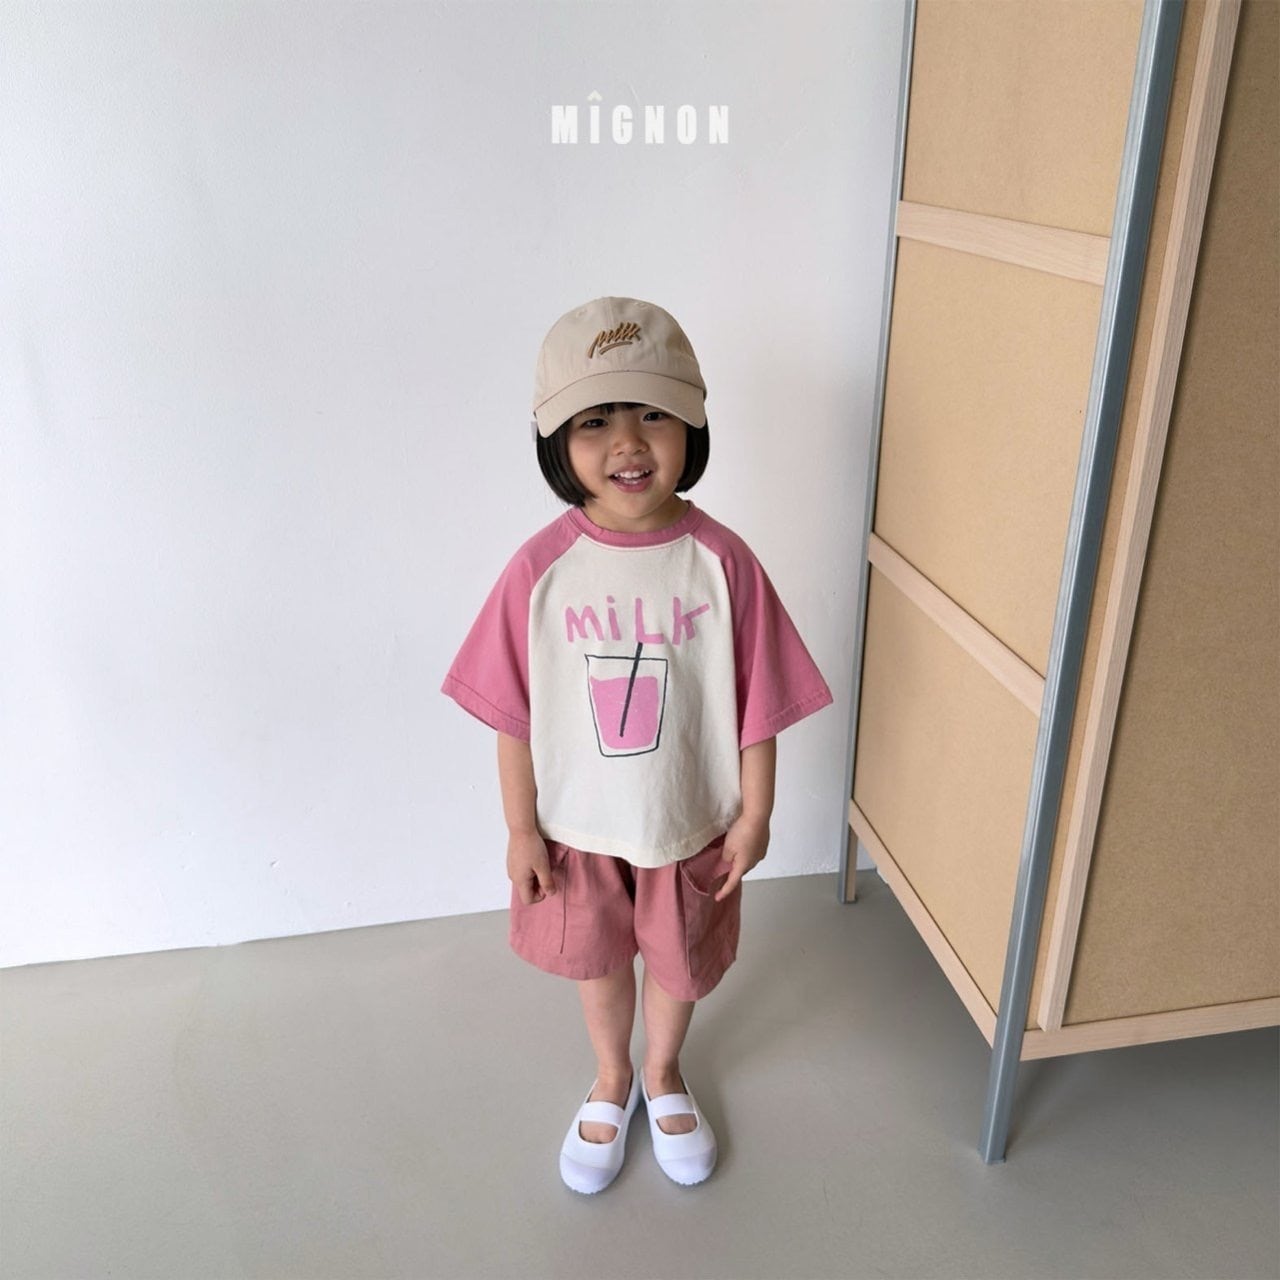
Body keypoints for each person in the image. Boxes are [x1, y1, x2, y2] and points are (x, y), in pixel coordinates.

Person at [442, 296, 832, 1194]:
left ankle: (663, 1070)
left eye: (652, 413)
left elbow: (760, 704)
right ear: (556, 441)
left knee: (680, 964)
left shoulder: (722, 563)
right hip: (578, 828)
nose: (627, 442)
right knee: (600, 960)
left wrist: (755, 815)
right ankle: (612, 1075)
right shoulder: (539, 570)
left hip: (688, 823)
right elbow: (512, 714)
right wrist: (521, 829)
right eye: (595, 421)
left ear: (692, 425)